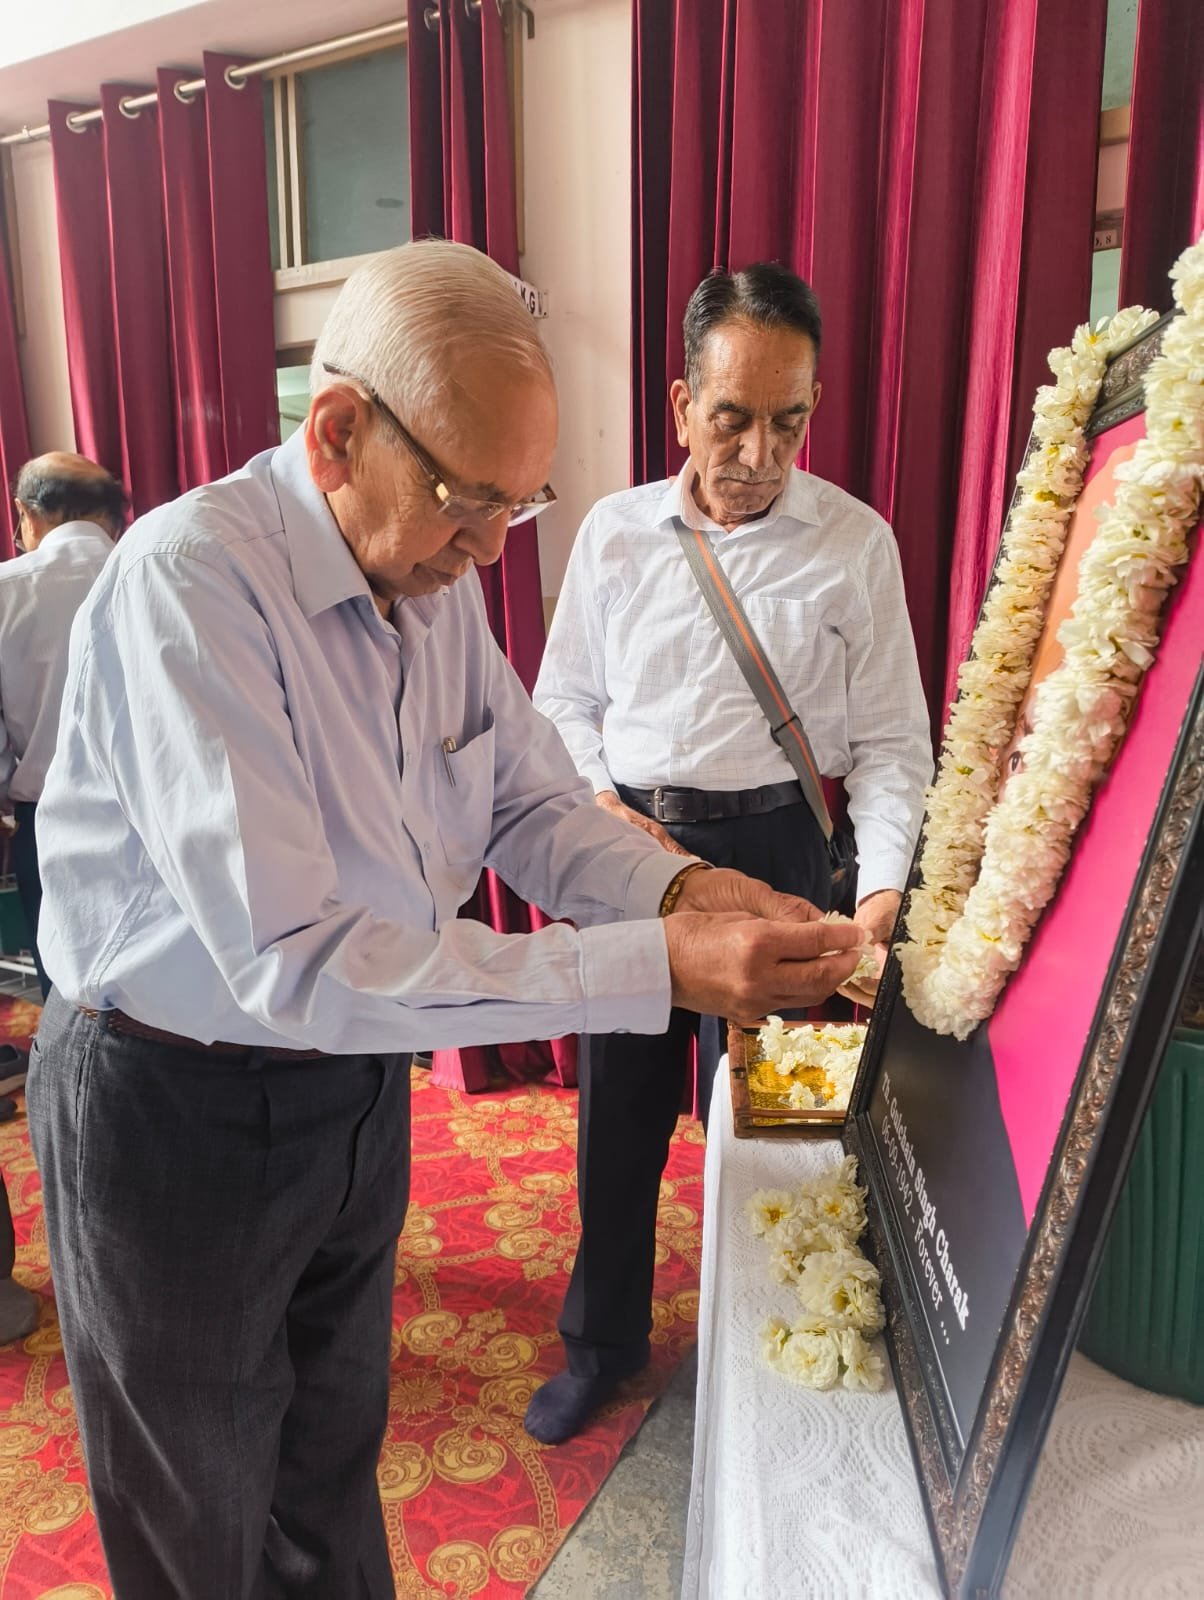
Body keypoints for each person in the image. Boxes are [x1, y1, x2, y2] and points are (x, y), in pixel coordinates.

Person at [26, 241, 866, 1600]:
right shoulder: (194, 583)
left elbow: (529, 801)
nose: (486, 549)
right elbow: (298, 960)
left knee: (329, 1468)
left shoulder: (434, 579)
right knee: (198, 1515)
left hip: (358, 1085)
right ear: (337, 431)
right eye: (469, 500)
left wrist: (680, 889)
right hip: (174, 1104)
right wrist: (653, 964)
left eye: (518, 507)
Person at [526, 262, 933, 1444]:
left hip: (785, 858)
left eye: (788, 421)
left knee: (786, 1129)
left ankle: (775, 1349)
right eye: (732, 417)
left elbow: (893, 744)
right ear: (679, 405)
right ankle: (601, 1343)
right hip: (637, 861)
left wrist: (878, 891)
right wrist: (602, 811)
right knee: (616, 1124)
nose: (760, 452)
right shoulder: (614, 534)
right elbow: (563, 703)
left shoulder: (853, 541)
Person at [0, 454, 123, 1000]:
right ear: (112, 517)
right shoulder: (166, 572)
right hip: (169, 813)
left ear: (26, 514)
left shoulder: (6, 589)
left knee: (69, 992)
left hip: (50, 819)